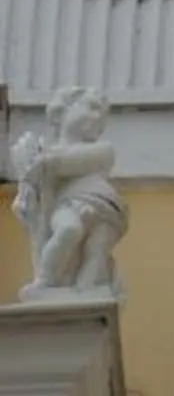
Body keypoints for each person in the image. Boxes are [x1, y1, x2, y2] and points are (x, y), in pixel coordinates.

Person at [10, 86, 126, 298]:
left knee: (96, 252)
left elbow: (67, 163)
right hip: (70, 204)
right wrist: (27, 178)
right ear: (61, 112)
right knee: (69, 230)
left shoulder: (103, 150)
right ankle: (46, 281)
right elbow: (27, 200)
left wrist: (38, 163)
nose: (98, 116)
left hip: (107, 209)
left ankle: (87, 289)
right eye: (91, 107)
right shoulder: (45, 152)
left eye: (102, 113)